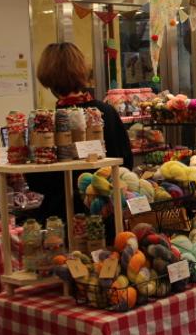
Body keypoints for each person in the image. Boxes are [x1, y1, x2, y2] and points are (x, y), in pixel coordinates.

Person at [29, 42, 133, 229]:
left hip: (62, 218)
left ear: (47, 78)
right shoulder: (106, 112)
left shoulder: (46, 123)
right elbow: (126, 163)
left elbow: (39, 182)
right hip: (106, 211)